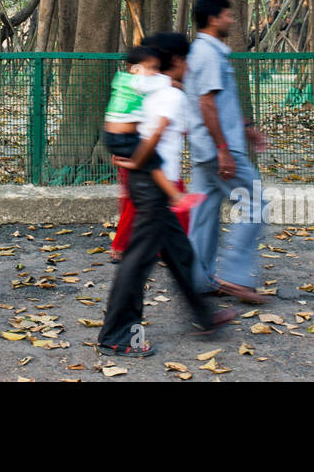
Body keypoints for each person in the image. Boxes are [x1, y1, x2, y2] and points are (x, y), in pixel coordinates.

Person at [97, 32, 237, 357]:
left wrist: (131, 161)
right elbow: (151, 136)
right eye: (186, 60)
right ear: (176, 61)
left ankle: (204, 317)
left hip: (154, 182)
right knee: (137, 261)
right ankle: (116, 335)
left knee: (180, 254)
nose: (190, 66)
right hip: (152, 187)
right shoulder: (168, 95)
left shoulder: (157, 89)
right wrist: (136, 163)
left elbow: (132, 128)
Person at [184, 0, 270, 304]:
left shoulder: (205, 53)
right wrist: (224, 149)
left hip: (205, 151)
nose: (232, 20)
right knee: (257, 202)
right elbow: (206, 104)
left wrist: (247, 129)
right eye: (227, 15)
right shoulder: (207, 54)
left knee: (204, 217)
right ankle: (234, 276)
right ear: (212, 19)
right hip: (220, 150)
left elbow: (219, 103)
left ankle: (199, 281)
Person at [104, 44, 170, 261]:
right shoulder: (133, 80)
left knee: (137, 199)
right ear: (134, 68)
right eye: (150, 68)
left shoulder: (130, 82)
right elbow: (158, 83)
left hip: (126, 139)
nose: (153, 72)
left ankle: (142, 245)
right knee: (147, 179)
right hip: (126, 140)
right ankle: (123, 246)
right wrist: (172, 80)